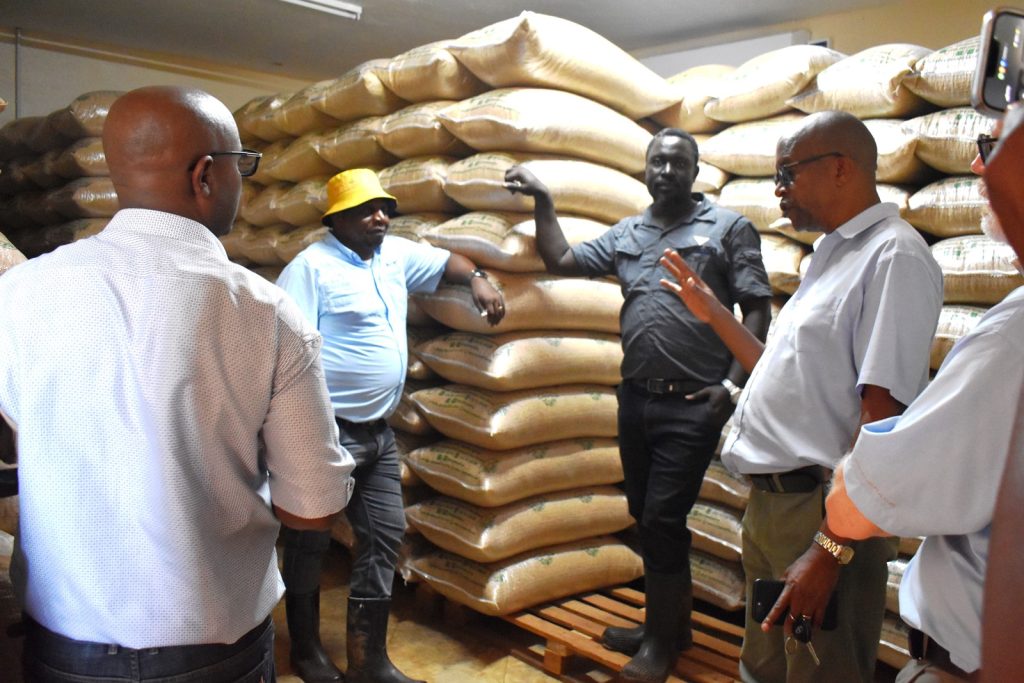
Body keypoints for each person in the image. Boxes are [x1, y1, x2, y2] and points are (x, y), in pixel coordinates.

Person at [0, 86, 356, 682]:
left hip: (64, 648)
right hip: (214, 649)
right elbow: (314, 510)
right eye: (242, 166)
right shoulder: (266, 313)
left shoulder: (19, 294)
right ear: (206, 175)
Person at [659, 111, 943, 683]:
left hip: (818, 515)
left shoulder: (893, 257)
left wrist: (830, 549)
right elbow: (781, 376)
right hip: (772, 508)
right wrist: (715, 314)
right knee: (763, 669)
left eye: (787, 172)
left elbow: (882, 420)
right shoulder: (829, 257)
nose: (777, 189)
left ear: (840, 168)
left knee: (819, 672)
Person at [505, 128, 773, 683]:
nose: (666, 171)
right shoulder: (629, 233)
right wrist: (544, 200)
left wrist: (729, 388)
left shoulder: (728, 228)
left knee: (661, 517)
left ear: (695, 172)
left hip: (693, 403)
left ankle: (658, 645)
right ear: (645, 170)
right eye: (657, 162)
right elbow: (561, 260)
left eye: (678, 163)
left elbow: (756, 311)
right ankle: (671, 628)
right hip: (636, 401)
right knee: (645, 518)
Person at [275, 168, 505, 683]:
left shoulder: (395, 255)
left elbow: (450, 261)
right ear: (336, 220)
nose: (380, 216)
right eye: (366, 209)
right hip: (325, 431)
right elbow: (285, 355)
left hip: (380, 433)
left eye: (384, 207)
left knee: (384, 534)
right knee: (309, 541)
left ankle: (368, 660)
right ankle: (307, 650)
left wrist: (477, 279)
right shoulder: (310, 269)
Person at [825, 103, 1024, 683]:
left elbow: (864, 499)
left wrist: (858, 478)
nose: (976, 168)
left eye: (994, 151)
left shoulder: (1009, 340)